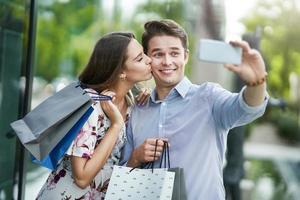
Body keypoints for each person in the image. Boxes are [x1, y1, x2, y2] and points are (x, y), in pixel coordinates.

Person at [120, 19, 269, 200]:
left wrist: (257, 82)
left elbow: (247, 108)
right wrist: (136, 157)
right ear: (148, 59)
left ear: (186, 56)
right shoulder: (138, 109)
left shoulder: (209, 97)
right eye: (158, 54)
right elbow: (123, 179)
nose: (167, 62)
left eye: (174, 53)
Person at [36, 32, 152, 200]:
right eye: (139, 58)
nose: (149, 60)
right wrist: (116, 125)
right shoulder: (92, 105)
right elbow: (81, 177)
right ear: (120, 71)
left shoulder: (130, 103)